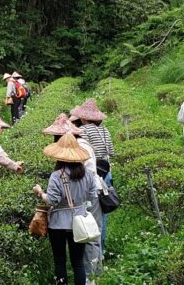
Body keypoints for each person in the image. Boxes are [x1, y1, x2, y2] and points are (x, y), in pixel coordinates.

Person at [32, 134, 100, 285]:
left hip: (58, 224)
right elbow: (92, 196)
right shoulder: (87, 174)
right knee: (78, 263)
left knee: (60, 261)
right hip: (80, 222)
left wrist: (40, 192)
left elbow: (51, 200)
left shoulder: (56, 175)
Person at [71, 98, 114, 257]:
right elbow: (111, 151)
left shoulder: (84, 131)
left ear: (83, 118)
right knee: (103, 210)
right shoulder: (105, 130)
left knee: (92, 214)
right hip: (107, 172)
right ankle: (101, 249)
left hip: (94, 173)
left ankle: (95, 252)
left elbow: (87, 154)